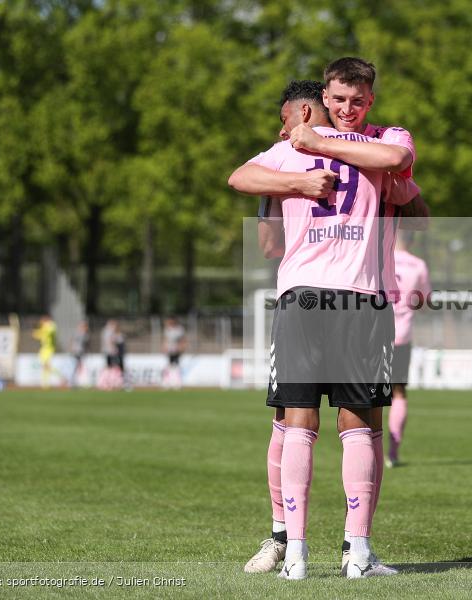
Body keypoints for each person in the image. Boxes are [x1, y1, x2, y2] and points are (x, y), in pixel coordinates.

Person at [233, 58, 426, 577]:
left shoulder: (316, 144)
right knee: (318, 423)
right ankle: (302, 550)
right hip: (343, 298)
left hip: (343, 296)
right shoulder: (316, 148)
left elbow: (400, 161)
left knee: (329, 424)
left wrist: (310, 141)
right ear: (324, 95)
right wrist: (297, 183)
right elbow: (242, 180)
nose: (347, 109)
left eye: (357, 101)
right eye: (338, 100)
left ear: (370, 101)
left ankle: (333, 553)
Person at [387, 230, 431, 467]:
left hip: (371, 335)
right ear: (412, 241)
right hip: (401, 337)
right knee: (398, 393)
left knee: (365, 396)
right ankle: (392, 453)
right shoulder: (418, 265)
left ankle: (363, 451)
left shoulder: (377, 258)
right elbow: (424, 301)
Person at [32, 315, 60, 388]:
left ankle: (59, 377)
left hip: (48, 349)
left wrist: (39, 331)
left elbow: (50, 331)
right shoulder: (44, 327)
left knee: (46, 366)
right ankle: (45, 384)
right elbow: (39, 335)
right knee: (45, 367)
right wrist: (36, 333)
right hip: (43, 349)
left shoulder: (51, 326)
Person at [162, 317, 187, 390]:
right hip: (170, 349)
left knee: (176, 366)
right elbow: (165, 339)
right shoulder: (167, 329)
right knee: (169, 366)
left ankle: (177, 383)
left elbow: (182, 339)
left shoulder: (179, 329)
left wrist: (182, 347)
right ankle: (167, 382)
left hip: (177, 349)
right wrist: (164, 347)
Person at [69, 320, 89, 387]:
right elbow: (73, 341)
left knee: (77, 367)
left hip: (80, 352)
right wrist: (72, 349)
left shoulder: (85, 334)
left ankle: (75, 381)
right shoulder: (79, 333)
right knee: (75, 367)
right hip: (76, 352)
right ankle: (73, 382)